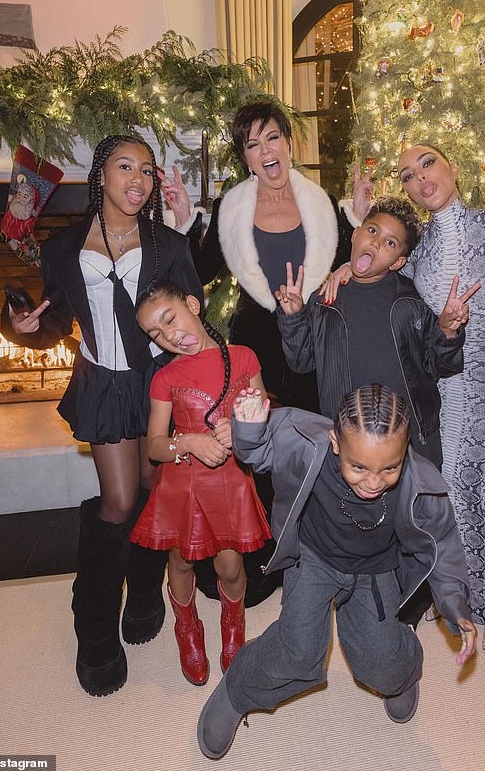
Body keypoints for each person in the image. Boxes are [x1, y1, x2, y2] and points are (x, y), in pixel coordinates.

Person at [329, 146, 485, 649]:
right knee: (438, 490)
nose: (420, 178)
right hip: (434, 384)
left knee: (474, 485)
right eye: (408, 175)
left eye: (428, 164)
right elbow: (375, 269)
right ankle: (446, 596)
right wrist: (342, 269)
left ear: (453, 168)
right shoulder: (415, 252)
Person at [0, 135, 204, 696]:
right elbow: (53, 318)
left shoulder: (166, 242)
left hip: (158, 381)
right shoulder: (64, 247)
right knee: (118, 501)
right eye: (124, 166)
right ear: (101, 174)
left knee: (151, 487)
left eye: (146, 169)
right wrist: (23, 328)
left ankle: (142, 593)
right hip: (105, 382)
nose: (136, 178)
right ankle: (94, 629)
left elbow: (193, 313)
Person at [196, 384, 477, 761]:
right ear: (335, 442)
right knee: (297, 651)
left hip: (375, 570)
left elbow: (442, 543)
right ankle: (236, 691)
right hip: (313, 558)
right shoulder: (306, 442)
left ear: (405, 450)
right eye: (358, 467)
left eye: (388, 468)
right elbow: (258, 454)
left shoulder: (420, 484)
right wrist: (248, 427)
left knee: (383, 663)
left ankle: (402, 672)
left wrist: (456, 604)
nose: (373, 482)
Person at [165, 99, 356, 603]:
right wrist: (186, 222)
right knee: (258, 452)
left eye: (273, 137)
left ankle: (319, 560)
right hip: (254, 347)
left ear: (289, 142)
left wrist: (354, 225)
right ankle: (266, 557)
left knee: (319, 445)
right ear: (245, 157)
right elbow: (198, 273)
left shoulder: (324, 202)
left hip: (316, 341)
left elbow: (361, 262)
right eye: (253, 143)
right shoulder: (234, 207)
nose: (266, 150)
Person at [130, 281, 271, 685]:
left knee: (229, 566)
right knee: (182, 559)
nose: (168, 334)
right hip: (183, 482)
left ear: (193, 304)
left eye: (169, 318)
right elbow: (155, 446)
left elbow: (263, 415)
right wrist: (189, 441)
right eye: (155, 333)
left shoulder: (243, 357)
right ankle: (186, 625)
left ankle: (232, 621)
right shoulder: (165, 378)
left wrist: (241, 428)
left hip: (227, 480)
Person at [275, 195, 478, 470]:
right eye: (372, 231)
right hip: (347, 448)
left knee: (411, 513)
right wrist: (293, 317)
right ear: (356, 234)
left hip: (412, 447)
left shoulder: (411, 303)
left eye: (390, 243)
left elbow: (440, 365)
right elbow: (301, 362)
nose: (376, 243)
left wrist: (447, 331)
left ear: (397, 262)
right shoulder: (325, 300)